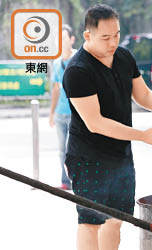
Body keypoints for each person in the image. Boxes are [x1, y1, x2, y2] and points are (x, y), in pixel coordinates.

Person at [62, 4, 152, 250]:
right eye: (105, 37)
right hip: (88, 158)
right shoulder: (78, 71)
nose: (112, 42)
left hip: (121, 156)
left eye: (116, 35)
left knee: (116, 219)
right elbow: (95, 123)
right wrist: (143, 136)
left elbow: (144, 96)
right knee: (90, 222)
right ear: (88, 35)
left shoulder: (124, 56)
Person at [49, 24, 77, 190]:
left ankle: (77, 180)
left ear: (72, 39)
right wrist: (51, 113)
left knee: (72, 150)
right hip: (60, 114)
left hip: (76, 115)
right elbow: (55, 89)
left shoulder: (79, 58)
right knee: (62, 151)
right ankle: (66, 182)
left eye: (64, 38)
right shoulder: (57, 62)